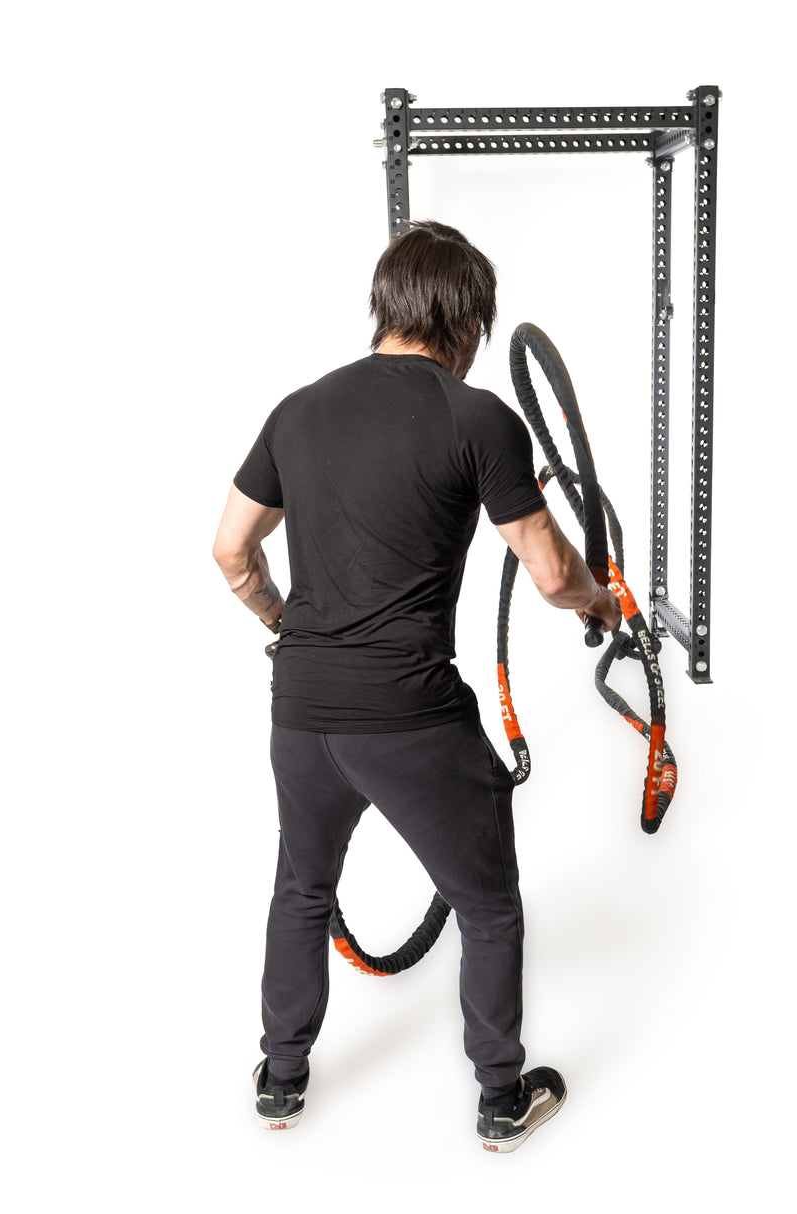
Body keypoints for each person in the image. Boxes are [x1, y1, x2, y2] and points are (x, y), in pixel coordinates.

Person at [212, 219, 621, 1152]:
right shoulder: (475, 418)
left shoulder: (297, 410)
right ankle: (502, 1097)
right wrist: (597, 606)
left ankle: (280, 1081)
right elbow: (553, 572)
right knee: (488, 903)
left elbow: (231, 549)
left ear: (387, 304)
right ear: (464, 317)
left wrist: (286, 623)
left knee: (301, 890)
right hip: (409, 716)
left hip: (302, 710)